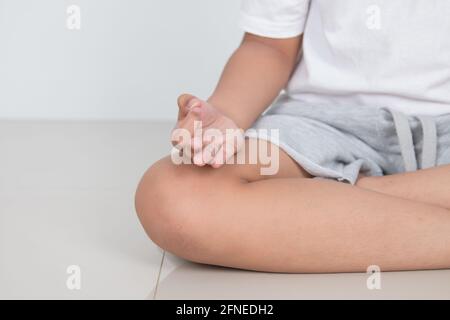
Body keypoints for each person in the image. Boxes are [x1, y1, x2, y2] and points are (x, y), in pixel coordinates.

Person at [135, 0, 450, 273]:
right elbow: (269, 45)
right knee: (171, 196)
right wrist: (226, 115)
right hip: (322, 124)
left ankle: (332, 197)